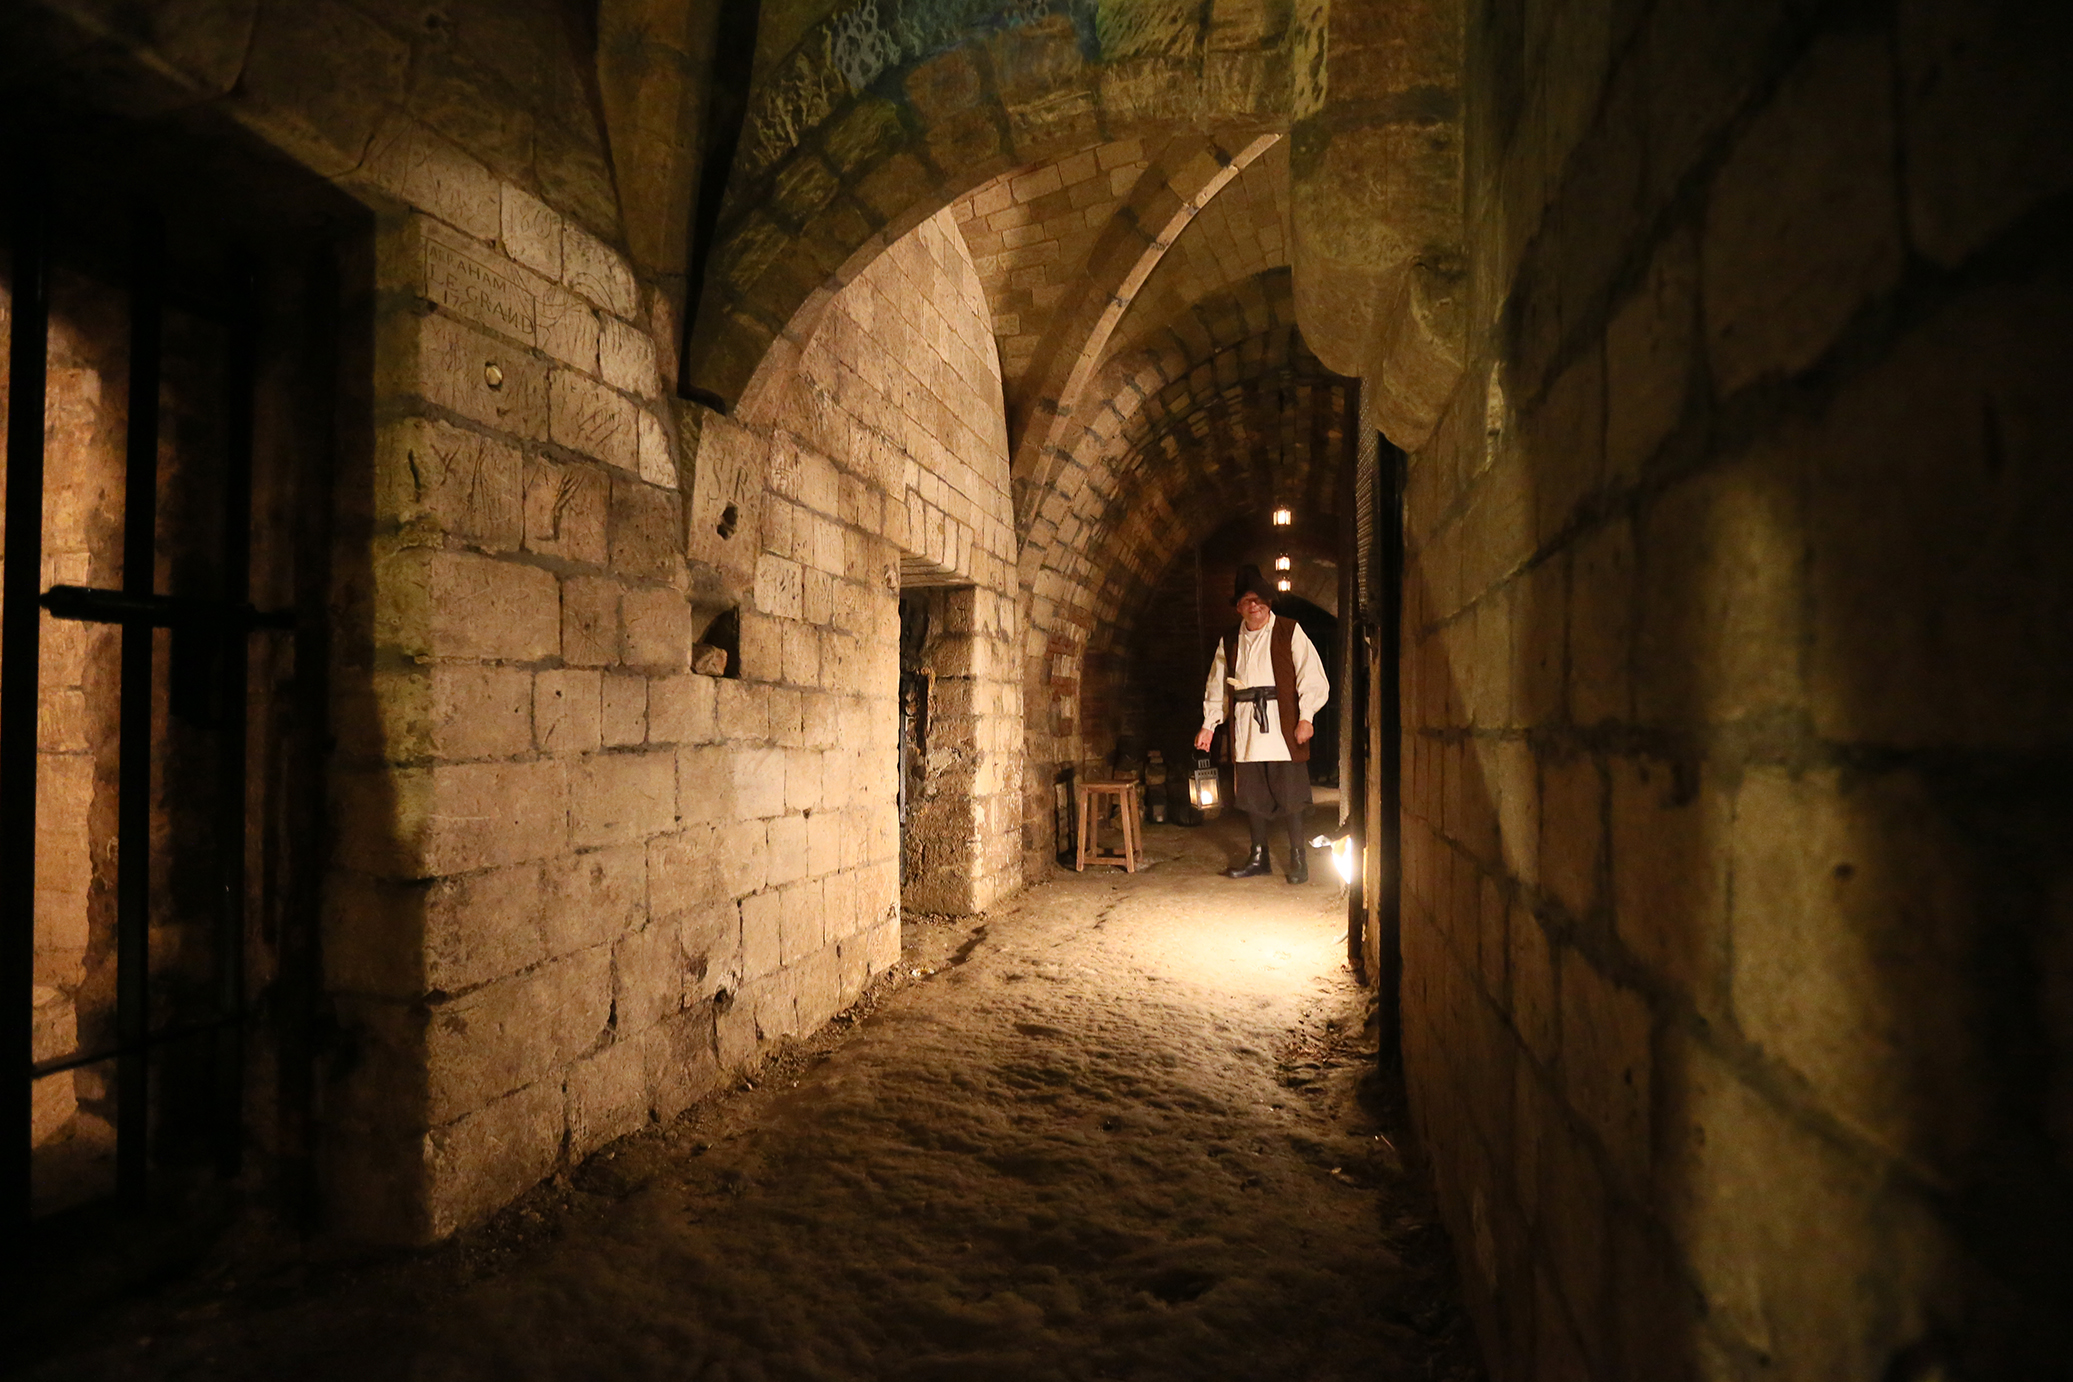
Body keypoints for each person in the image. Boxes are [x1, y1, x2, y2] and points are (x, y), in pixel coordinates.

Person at [1193, 565, 1330, 882]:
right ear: (1239, 607)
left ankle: (1298, 858)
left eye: (1259, 600)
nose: (1253, 606)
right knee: (1252, 794)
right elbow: (1217, 686)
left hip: (1283, 724)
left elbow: (1312, 677)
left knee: (1291, 794)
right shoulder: (1230, 640)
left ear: (1269, 602)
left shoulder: (1288, 630)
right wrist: (1209, 725)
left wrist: (1306, 717)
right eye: (1246, 601)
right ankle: (1259, 856)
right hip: (1247, 726)